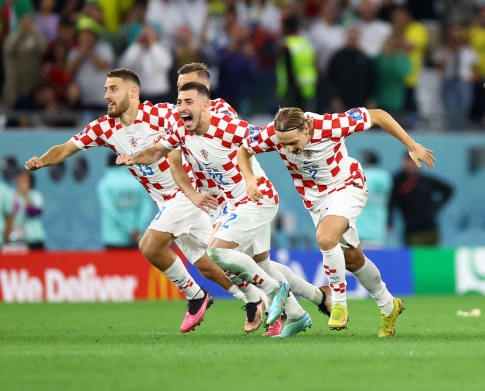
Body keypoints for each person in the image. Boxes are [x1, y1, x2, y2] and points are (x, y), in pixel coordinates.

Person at [24, 68, 260, 333]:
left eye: (113, 89)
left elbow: (200, 119)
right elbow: (66, 148)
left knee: (149, 245)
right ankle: (255, 298)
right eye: (105, 90)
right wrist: (41, 161)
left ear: (132, 92)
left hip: (186, 194)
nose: (107, 96)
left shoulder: (161, 114)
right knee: (211, 265)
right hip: (167, 203)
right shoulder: (104, 127)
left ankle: (197, 297)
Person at [120, 81, 315, 338]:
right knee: (238, 261)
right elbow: (157, 151)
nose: (182, 108)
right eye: (179, 102)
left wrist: (300, 141)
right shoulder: (180, 130)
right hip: (230, 206)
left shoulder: (228, 127)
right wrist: (134, 158)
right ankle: (298, 314)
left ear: (206, 105)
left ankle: (273, 289)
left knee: (217, 251)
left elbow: (268, 137)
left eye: (189, 102)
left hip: (257, 199)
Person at [246, 105, 434, 336]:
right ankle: (388, 304)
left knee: (326, 238)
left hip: (347, 185)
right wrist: (249, 178)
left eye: (292, 143)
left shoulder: (330, 125)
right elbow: (243, 149)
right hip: (316, 200)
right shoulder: (276, 135)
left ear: (306, 129)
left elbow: (378, 116)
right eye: (282, 144)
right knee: (354, 260)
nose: (287, 149)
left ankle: (338, 304)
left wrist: (412, 145)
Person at [389, 151, 453, 246]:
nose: (412, 165)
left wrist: (437, 206)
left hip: (431, 228)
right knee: (416, 258)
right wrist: (389, 222)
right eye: (409, 161)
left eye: (415, 162)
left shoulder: (426, 181)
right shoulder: (398, 182)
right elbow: (391, 204)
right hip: (413, 231)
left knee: (433, 258)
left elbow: (448, 189)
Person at [98, 153, 155, 249]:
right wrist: (137, 229)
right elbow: (146, 206)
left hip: (114, 239)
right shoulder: (136, 182)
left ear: (107, 164)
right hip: (136, 237)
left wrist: (129, 230)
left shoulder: (105, 184)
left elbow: (110, 211)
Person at [434, 24, 478, 130]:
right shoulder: (443, 50)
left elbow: (476, 68)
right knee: (450, 109)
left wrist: (472, 79)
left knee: (464, 108)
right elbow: (439, 67)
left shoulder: (469, 51)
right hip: (448, 81)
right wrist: (447, 52)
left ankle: (462, 130)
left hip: (463, 82)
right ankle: (451, 130)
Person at [119, 25, 172, 103]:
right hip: (140, 95)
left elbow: (166, 65)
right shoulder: (136, 49)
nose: (146, 38)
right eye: (144, 35)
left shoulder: (162, 50)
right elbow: (124, 64)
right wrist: (137, 46)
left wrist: (151, 46)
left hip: (159, 94)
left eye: (149, 35)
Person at [327, 26, 375, 113]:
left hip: (360, 103)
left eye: (355, 38)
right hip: (341, 102)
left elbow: (371, 80)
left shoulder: (364, 58)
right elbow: (330, 79)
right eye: (350, 38)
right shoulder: (337, 57)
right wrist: (334, 98)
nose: (352, 40)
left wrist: (370, 99)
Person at [1, 170, 45, 249]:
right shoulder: (11, 195)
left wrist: (25, 196)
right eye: (21, 179)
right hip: (19, 240)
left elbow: (34, 212)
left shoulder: (35, 195)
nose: (23, 183)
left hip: (36, 238)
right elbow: (10, 215)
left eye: (26, 180)